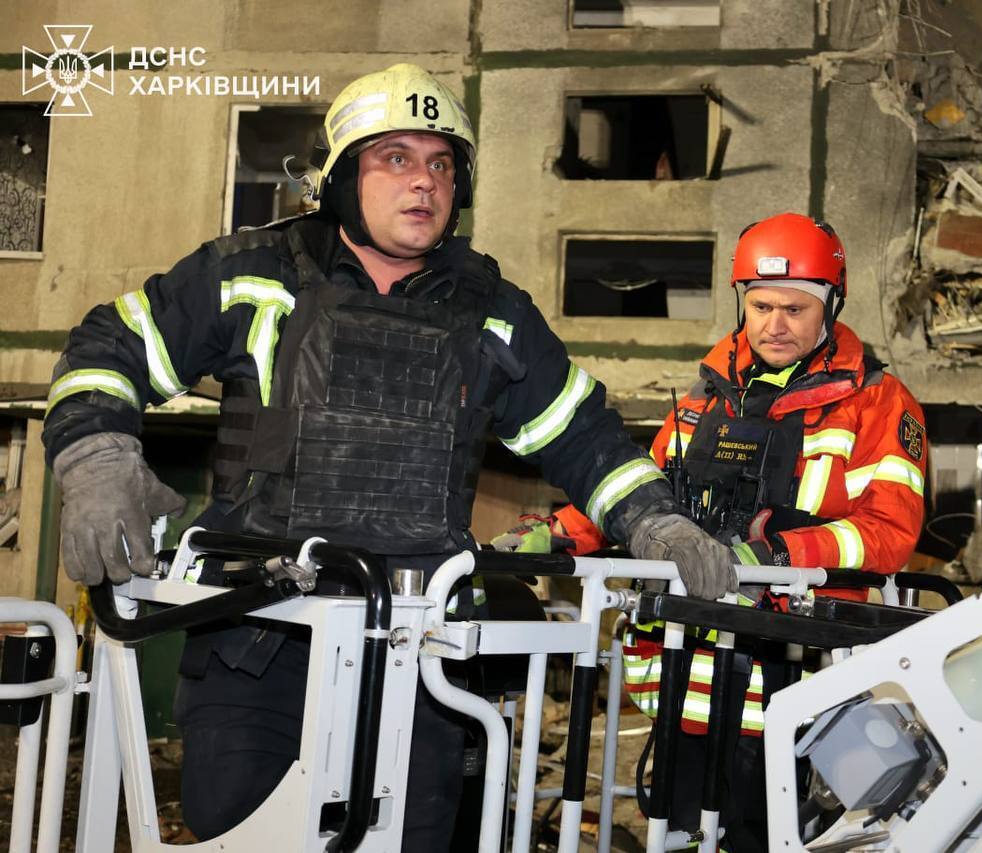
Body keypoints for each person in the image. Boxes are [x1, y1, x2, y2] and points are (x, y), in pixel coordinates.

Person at [43, 63, 735, 849]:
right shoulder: (249, 276)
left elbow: (585, 434)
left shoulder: (493, 315)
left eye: (442, 163)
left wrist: (657, 523)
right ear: (340, 176)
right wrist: (97, 461)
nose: (425, 182)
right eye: (396, 158)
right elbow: (109, 344)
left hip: (419, 659)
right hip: (258, 649)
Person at [497, 212, 928, 850]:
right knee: (674, 831)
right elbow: (646, 499)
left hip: (794, 676)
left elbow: (890, 534)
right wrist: (560, 532)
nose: (774, 325)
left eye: (794, 308)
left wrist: (775, 553)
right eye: (760, 306)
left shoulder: (878, 402)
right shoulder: (706, 395)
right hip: (683, 669)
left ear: (831, 307)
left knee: (765, 838)